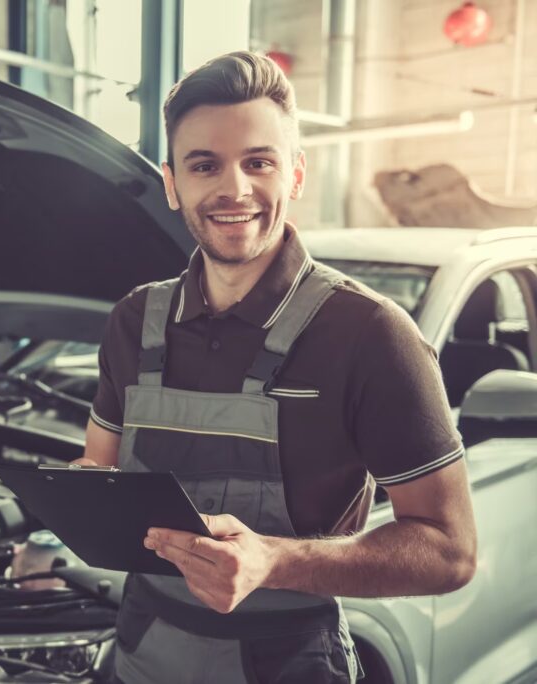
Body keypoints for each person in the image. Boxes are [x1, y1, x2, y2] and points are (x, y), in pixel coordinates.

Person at [79, 52, 477, 683]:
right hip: (142, 650)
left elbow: (449, 553)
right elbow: (98, 468)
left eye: (257, 162)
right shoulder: (134, 320)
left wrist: (274, 561)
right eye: (204, 164)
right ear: (171, 182)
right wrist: (77, 497)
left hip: (287, 662)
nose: (233, 188)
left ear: (294, 174)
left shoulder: (371, 333)